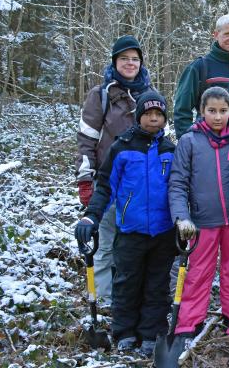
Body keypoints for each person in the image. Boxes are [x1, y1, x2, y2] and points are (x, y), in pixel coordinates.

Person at [75, 91, 175, 356]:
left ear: (165, 118)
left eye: (159, 114)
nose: (153, 119)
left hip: (163, 232)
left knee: (157, 285)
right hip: (130, 231)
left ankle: (151, 332)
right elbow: (106, 187)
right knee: (127, 282)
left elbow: (180, 189)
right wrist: (91, 216)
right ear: (138, 116)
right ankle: (125, 332)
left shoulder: (170, 151)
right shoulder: (122, 148)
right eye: (148, 114)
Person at [75, 35, 154, 306]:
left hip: (141, 187)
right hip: (108, 184)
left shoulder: (148, 94)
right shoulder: (101, 95)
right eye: (124, 59)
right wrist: (86, 181)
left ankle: (128, 299)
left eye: (135, 59)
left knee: (132, 246)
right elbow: (86, 140)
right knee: (105, 244)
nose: (130, 64)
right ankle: (103, 301)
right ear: (114, 62)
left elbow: (161, 141)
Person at [168, 87, 229, 342]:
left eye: (223, 111)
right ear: (201, 111)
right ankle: (188, 324)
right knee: (198, 273)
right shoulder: (189, 141)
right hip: (202, 223)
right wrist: (182, 218)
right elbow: (178, 183)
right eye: (211, 111)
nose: (217, 117)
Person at [174, 14, 229, 137]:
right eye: (227, 34)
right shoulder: (199, 67)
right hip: (209, 148)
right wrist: (189, 143)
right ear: (216, 35)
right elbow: (182, 111)